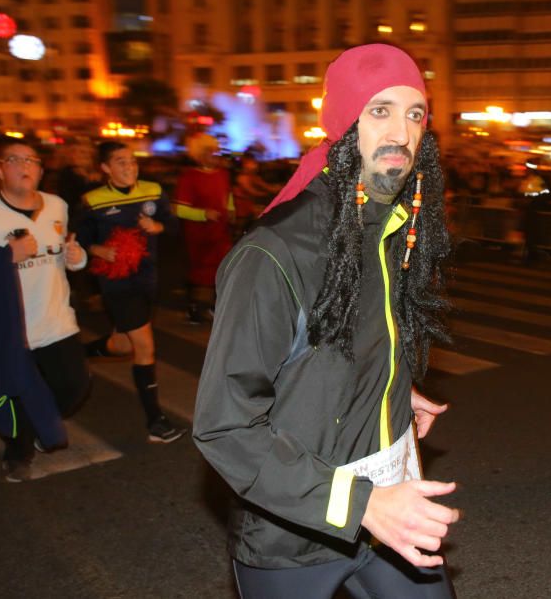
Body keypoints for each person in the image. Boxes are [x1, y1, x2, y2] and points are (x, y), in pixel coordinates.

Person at [193, 43, 459, 599]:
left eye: (415, 114)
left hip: (387, 507)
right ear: (343, 122)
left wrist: (387, 383)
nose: (403, 133)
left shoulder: (393, 224)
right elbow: (224, 424)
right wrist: (360, 506)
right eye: (379, 110)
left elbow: (343, 341)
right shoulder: (273, 252)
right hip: (293, 535)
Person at [0, 138, 90, 481]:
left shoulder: (57, 206)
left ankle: (39, 426)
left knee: (74, 385)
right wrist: (6, 256)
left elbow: (69, 252)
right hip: (7, 329)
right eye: (14, 159)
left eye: (32, 160)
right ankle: (18, 448)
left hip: (56, 320)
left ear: (41, 170)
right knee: (13, 392)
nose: (24, 166)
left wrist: (78, 258)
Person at [74, 141, 185, 444]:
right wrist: (98, 249)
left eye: (132, 161)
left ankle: (76, 353)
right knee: (146, 347)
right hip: (117, 285)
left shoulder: (153, 190)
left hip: (148, 280)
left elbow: (173, 227)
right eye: (121, 162)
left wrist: (157, 227)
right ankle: (155, 422)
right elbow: (75, 242)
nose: (130, 166)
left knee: (122, 345)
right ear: (106, 168)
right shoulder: (92, 201)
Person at [174, 133, 233, 324]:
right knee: (200, 272)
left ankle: (215, 307)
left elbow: (227, 196)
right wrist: (203, 214)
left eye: (215, 151)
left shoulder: (223, 174)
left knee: (223, 267)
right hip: (198, 234)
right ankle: (194, 308)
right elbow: (179, 209)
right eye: (208, 151)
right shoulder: (189, 177)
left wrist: (231, 210)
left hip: (220, 232)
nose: (214, 154)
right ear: (198, 155)